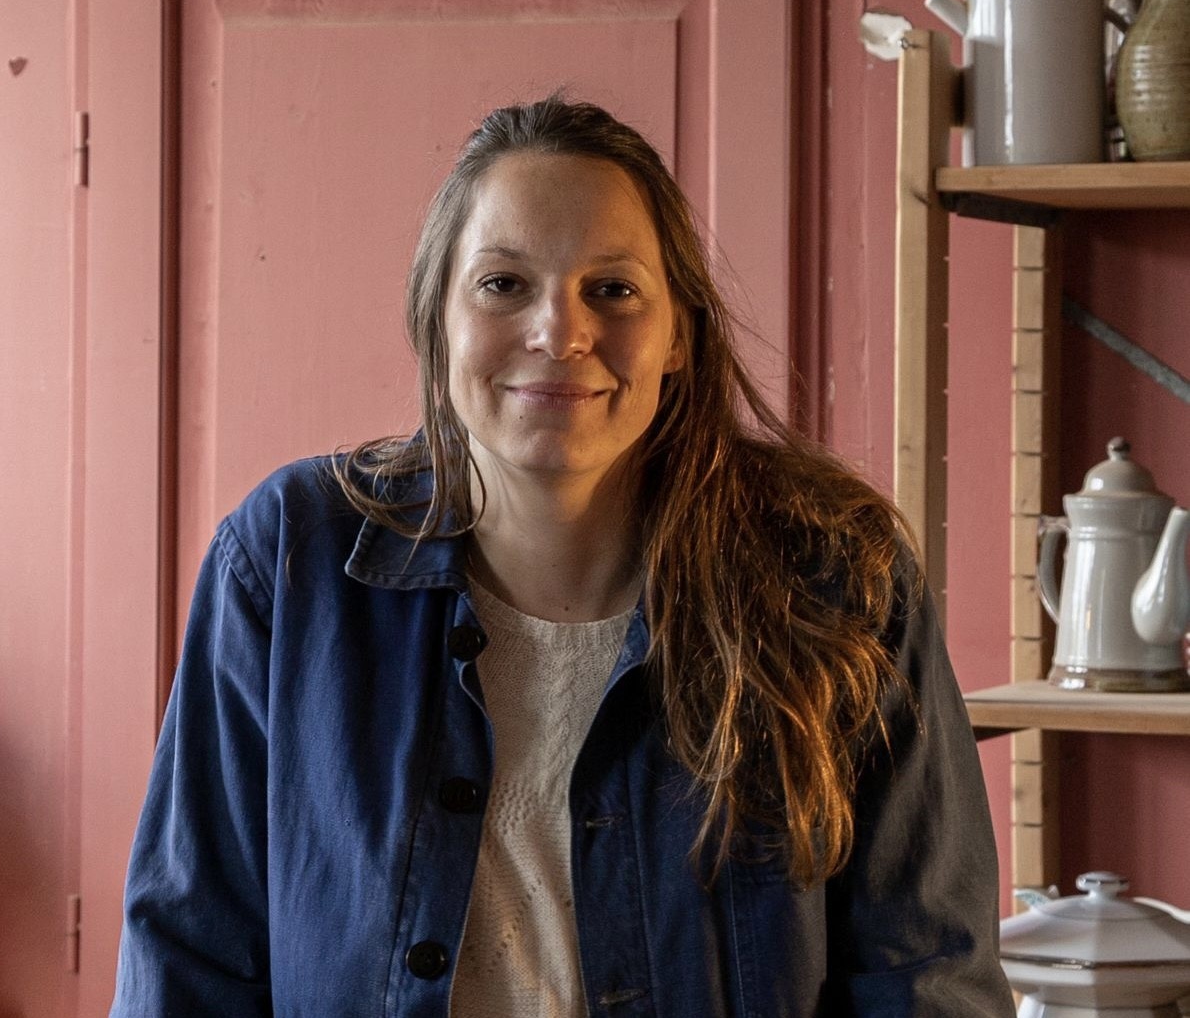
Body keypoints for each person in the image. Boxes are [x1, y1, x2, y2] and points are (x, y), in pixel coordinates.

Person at [109, 97, 1013, 1016]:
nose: (560, 332)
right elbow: (187, 960)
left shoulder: (836, 577)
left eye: (612, 289)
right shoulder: (289, 558)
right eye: (503, 283)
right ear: (436, 319)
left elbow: (927, 979)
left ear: (678, 337)